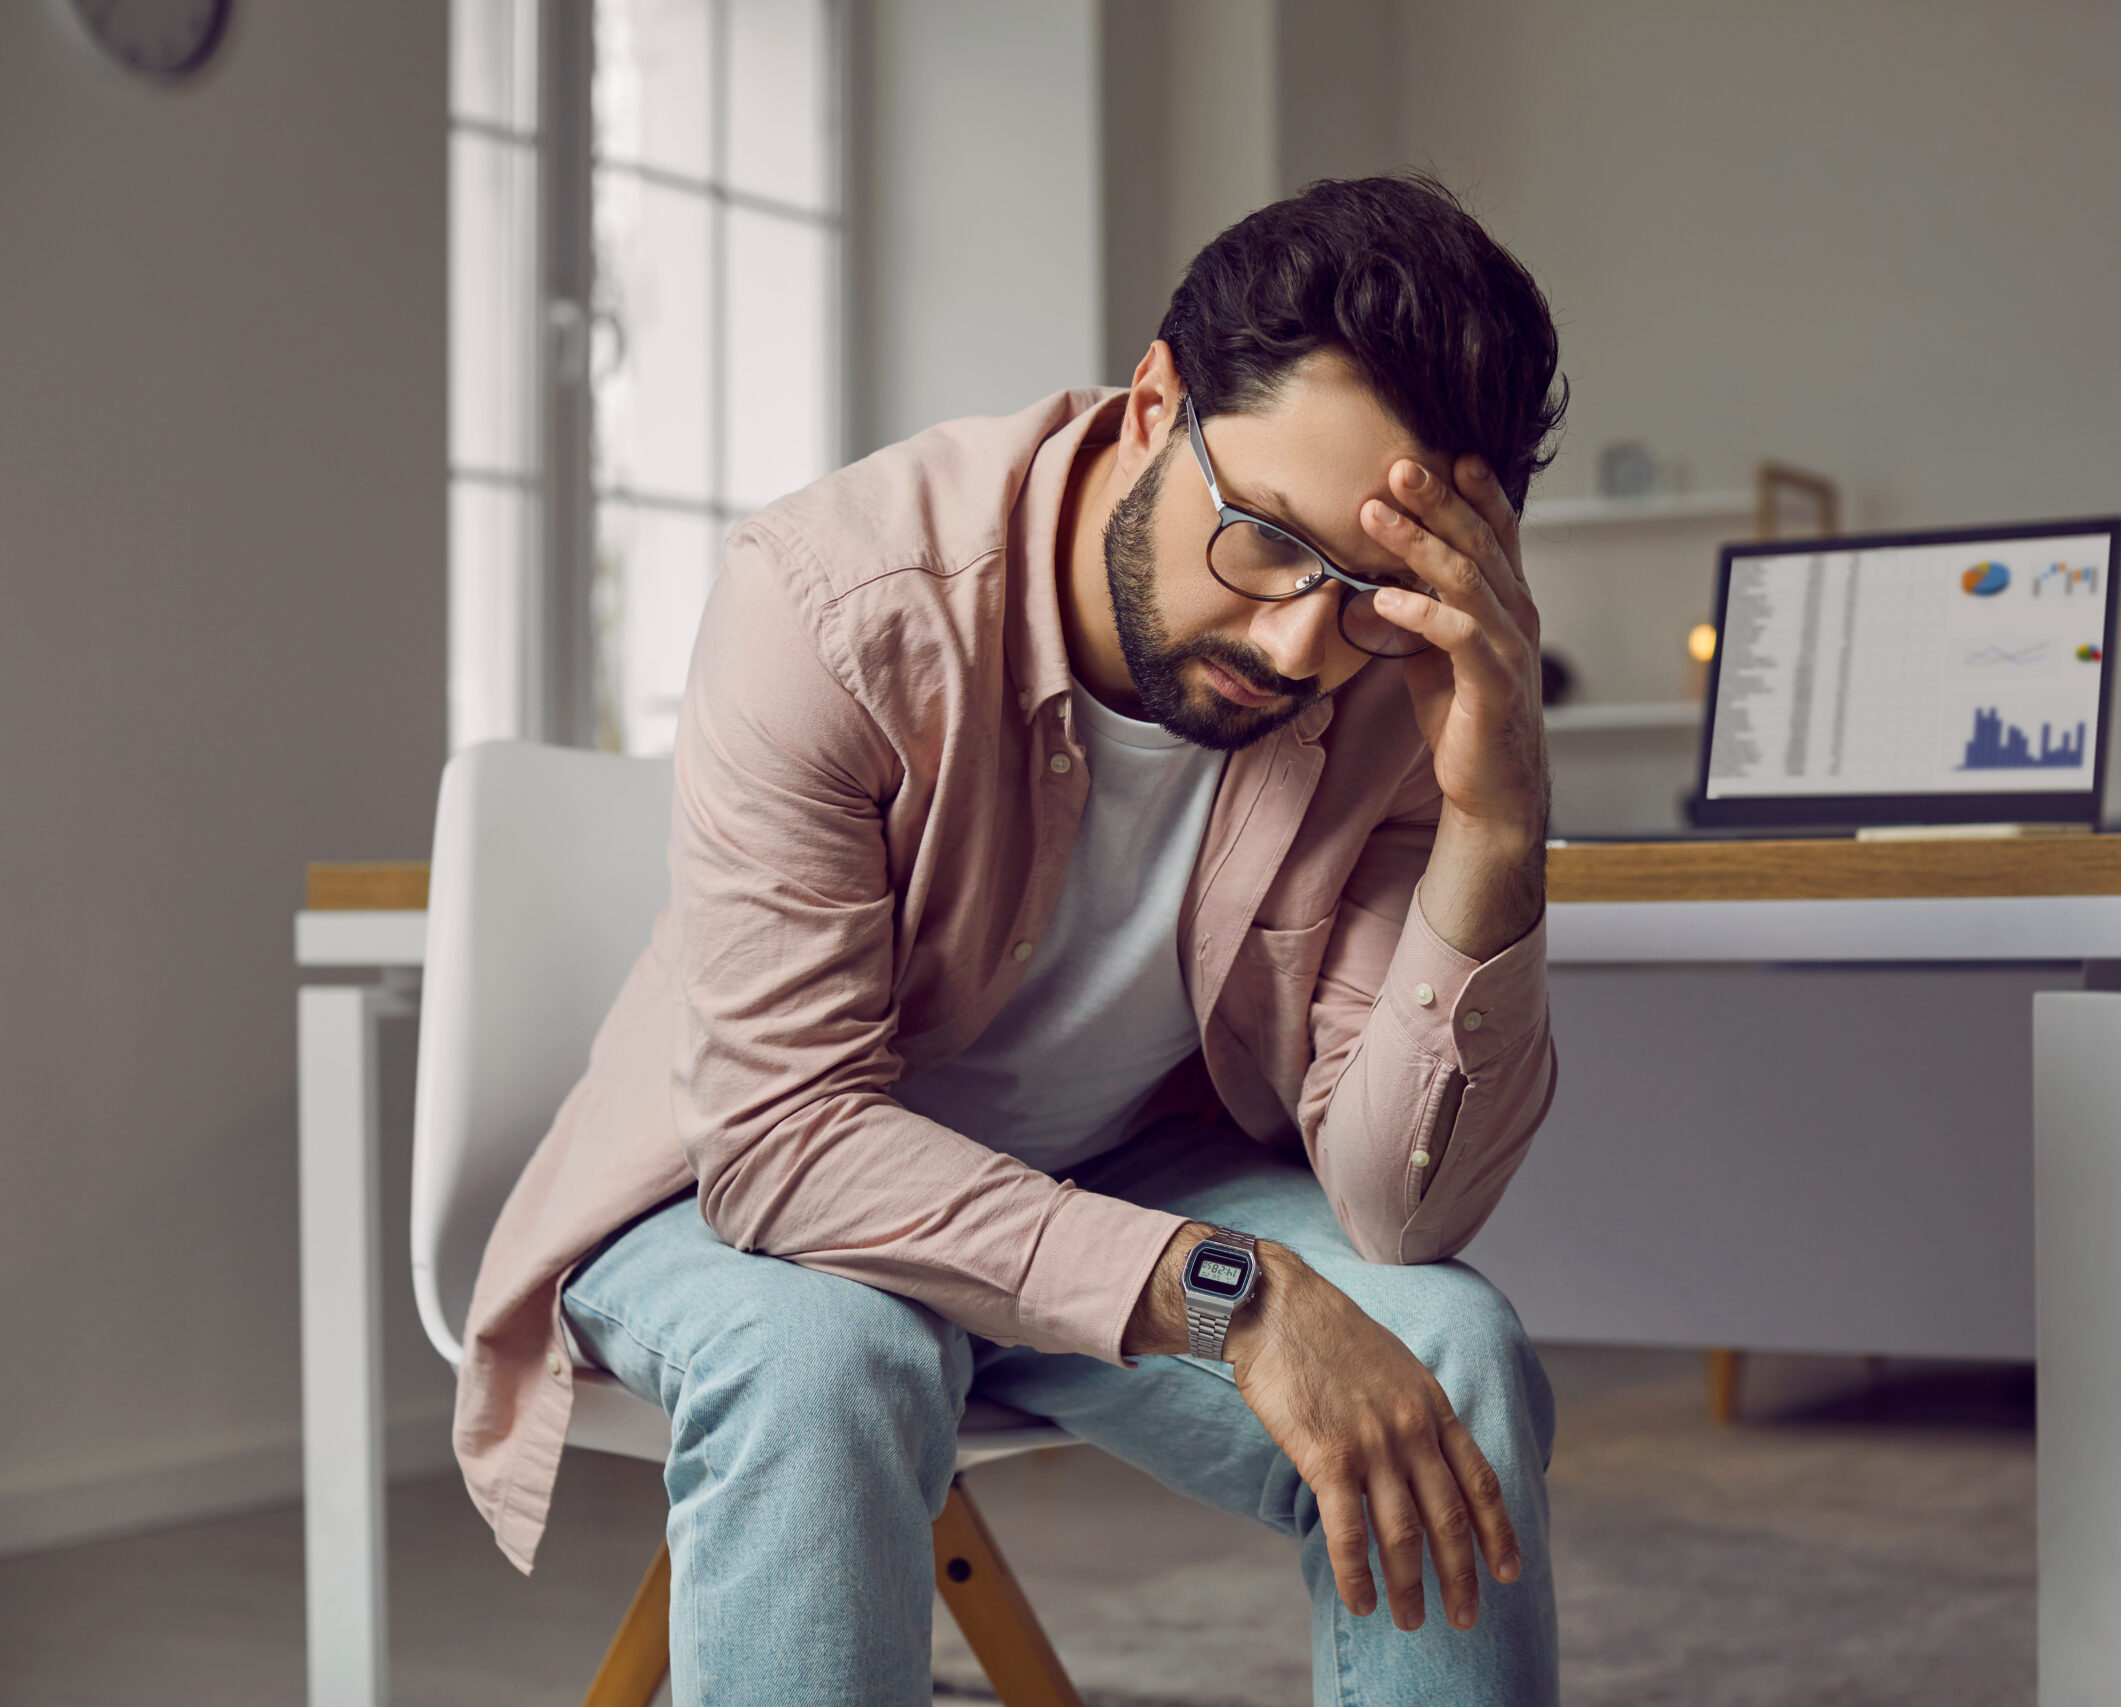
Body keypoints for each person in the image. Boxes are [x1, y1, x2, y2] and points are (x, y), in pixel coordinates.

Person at [454, 172, 1570, 1705]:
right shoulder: (836, 598)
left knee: (1457, 1354)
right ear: (1153, 402)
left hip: (1107, 1176)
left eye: (1376, 588)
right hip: (738, 1192)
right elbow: (786, 1141)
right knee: (830, 1357)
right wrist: (1224, 1294)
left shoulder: (1394, 686)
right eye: (1264, 539)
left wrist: (1498, 822)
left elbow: (1397, 1214)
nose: (1302, 640)